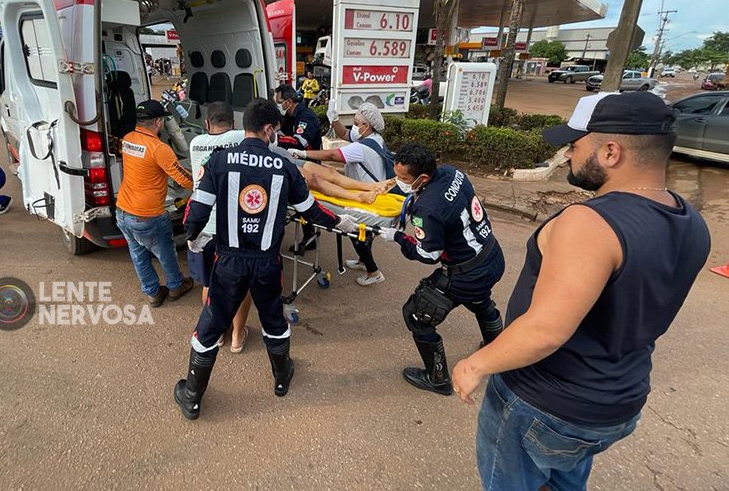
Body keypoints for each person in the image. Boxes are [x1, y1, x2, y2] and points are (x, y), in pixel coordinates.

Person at [451, 93, 711, 491]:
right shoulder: (691, 220)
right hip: (618, 401)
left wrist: (474, 365)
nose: (568, 153)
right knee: (564, 477)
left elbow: (545, 331)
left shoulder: (588, 223)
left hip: (544, 402)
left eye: (575, 144)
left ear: (610, 152)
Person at [174, 98, 358, 420]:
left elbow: (197, 209)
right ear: (269, 129)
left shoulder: (219, 160)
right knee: (273, 319)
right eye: (276, 131)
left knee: (210, 325)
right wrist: (340, 222)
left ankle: (192, 397)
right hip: (267, 263)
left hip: (228, 261)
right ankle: (281, 378)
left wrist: (192, 237)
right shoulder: (284, 167)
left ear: (244, 125)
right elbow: (311, 211)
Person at [377, 143, 505, 396]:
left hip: (467, 273)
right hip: (491, 255)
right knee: (480, 299)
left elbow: (428, 254)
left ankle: (437, 379)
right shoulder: (452, 173)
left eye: (403, 179)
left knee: (416, 315)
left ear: (423, 178)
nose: (398, 181)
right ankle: (498, 348)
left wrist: (398, 237)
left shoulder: (428, 208)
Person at [289, 101, 394, 286]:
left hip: (365, 190)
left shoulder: (361, 148)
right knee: (330, 175)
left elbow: (331, 155)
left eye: (356, 122)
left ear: (367, 125)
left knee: (357, 231)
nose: (354, 126)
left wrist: (303, 154)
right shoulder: (374, 138)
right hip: (366, 187)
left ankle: (374, 271)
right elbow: (345, 134)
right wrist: (334, 119)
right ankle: (363, 262)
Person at [115, 100, 194, 307]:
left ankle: (153, 293)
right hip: (147, 216)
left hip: (123, 211)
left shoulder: (128, 139)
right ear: (158, 122)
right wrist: (203, 181)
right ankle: (176, 286)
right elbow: (183, 179)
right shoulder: (159, 148)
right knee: (165, 252)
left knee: (138, 255)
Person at [187, 101, 251, 352]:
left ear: (206, 123)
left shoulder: (196, 143)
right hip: (233, 231)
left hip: (204, 228)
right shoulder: (241, 138)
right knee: (241, 285)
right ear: (233, 123)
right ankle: (237, 335)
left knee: (209, 285)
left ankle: (216, 335)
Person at [274, 84, 323, 253]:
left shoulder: (305, 116)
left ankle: (310, 235)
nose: (278, 105)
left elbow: (299, 142)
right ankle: (309, 234)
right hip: (295, 164)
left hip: (309, 165)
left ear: (288, 102)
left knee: (303, 198)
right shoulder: (289, 117)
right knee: (297, 199)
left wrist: (273, 139)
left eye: (278, 102)